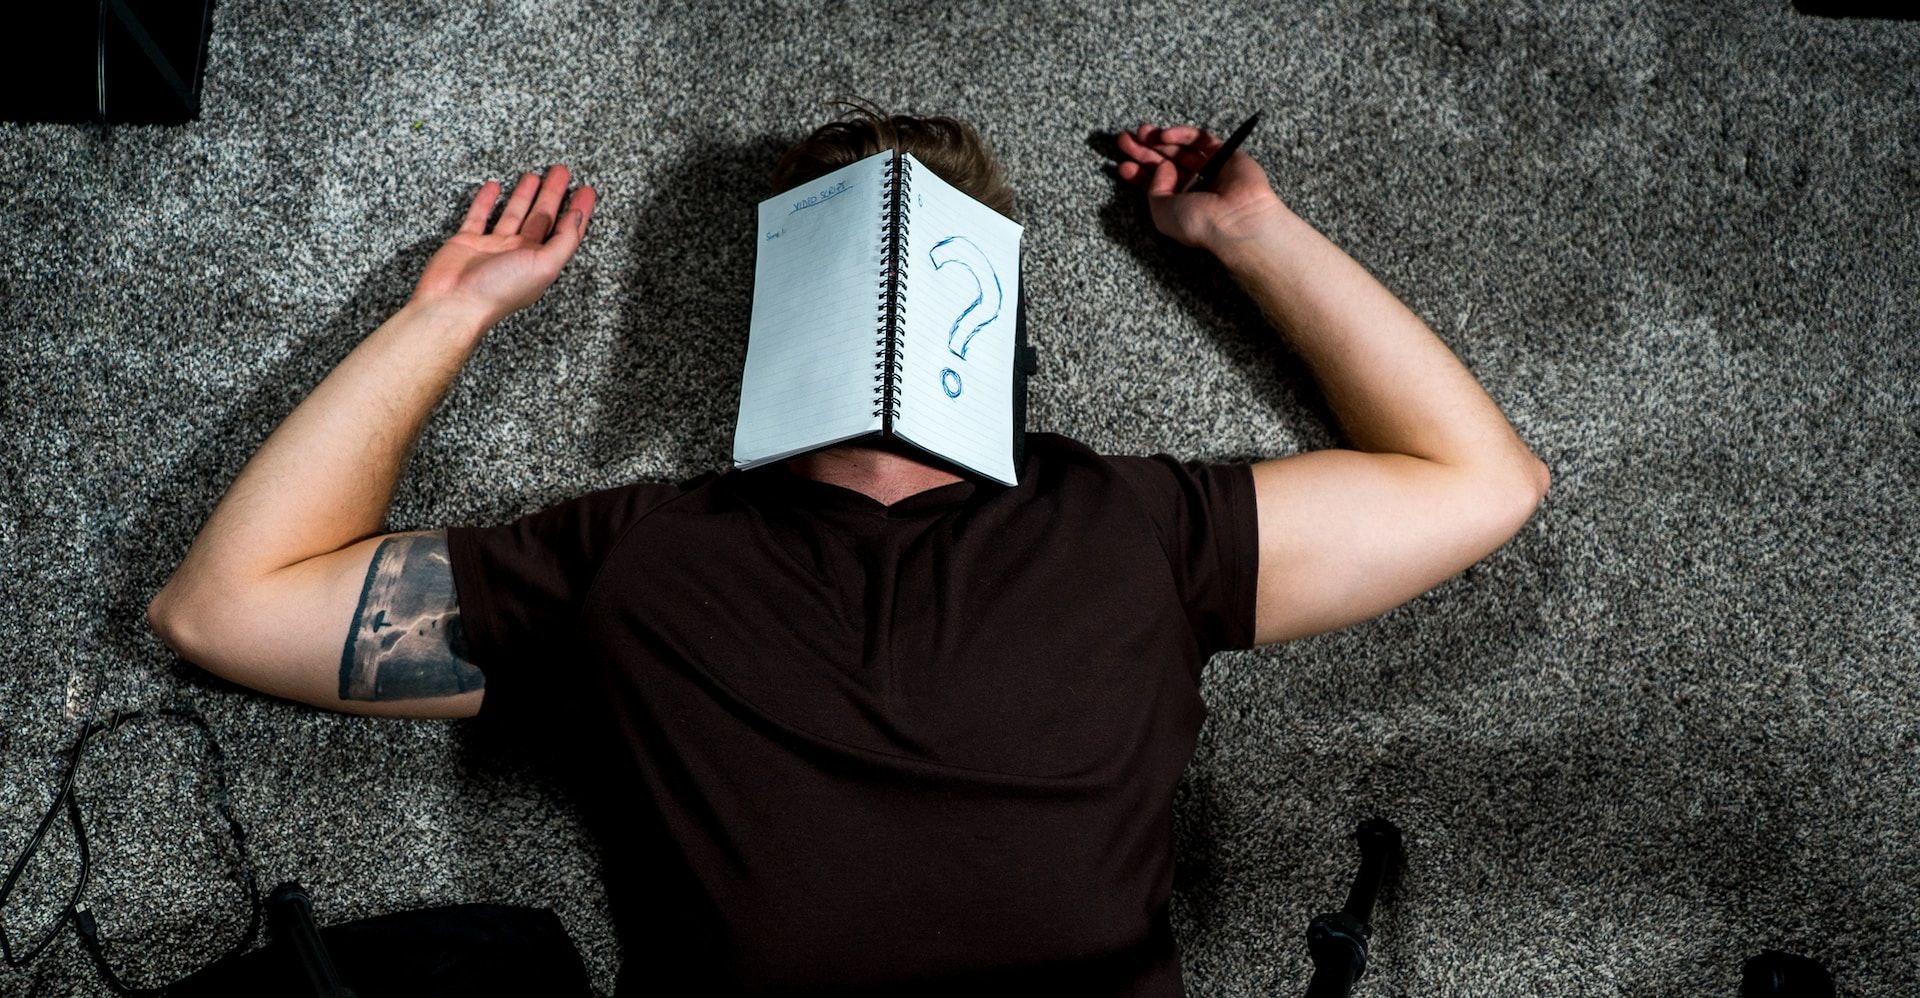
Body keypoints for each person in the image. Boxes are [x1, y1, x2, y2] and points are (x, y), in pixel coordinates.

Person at [145, 100, 1549, 996]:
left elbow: (231, 601)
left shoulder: (635, 563)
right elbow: (1478, 476)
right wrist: (1253, 235)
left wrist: (444, 317)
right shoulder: (1132, 528)